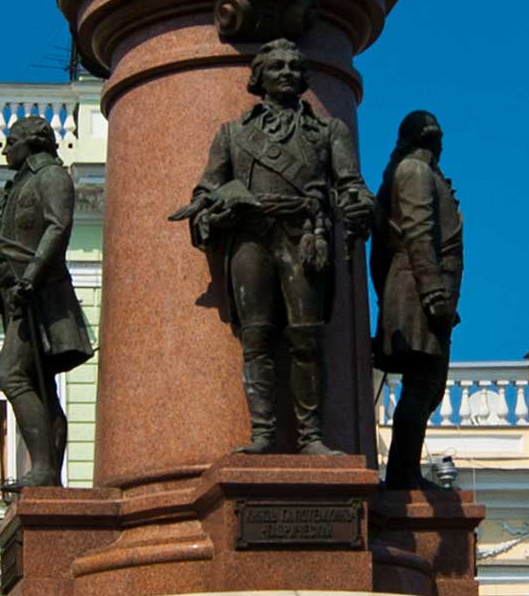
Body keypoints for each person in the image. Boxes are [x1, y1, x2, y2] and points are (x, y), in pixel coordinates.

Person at [181, 41, 375, 454]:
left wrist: (360, 205)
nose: (286, 71)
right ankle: (263, 434)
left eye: (293, 65)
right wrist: (210, 210)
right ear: (260, 77)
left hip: (304, 235)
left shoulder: (327, 131)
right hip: (251, 237)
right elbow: (205, 190)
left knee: (306, 339)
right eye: (276, 66)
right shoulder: (233, 134)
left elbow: (351, 184)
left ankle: (311, 438)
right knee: (256, 338)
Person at [0, 114, 92, 487]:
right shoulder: (22, 182)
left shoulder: (51, 176)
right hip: (17, 291)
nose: (5, 149)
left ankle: (45, 469)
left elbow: (57, 225)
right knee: (40, 383)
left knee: (13, 375)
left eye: (10, 141)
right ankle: (47, 472)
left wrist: (31, 276)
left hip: (40, 291)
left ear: (31, 142)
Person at [370, 108, 462, 487]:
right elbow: (418, 231)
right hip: (417, 287)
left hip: (418, 286)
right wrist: (433, 290)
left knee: (429, 386)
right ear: (426, 137)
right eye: (436, 135)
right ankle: (403, 475)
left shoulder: (424, 172)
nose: (441, 142)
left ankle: (403, 472)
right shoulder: (414, 171)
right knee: (423, 383)